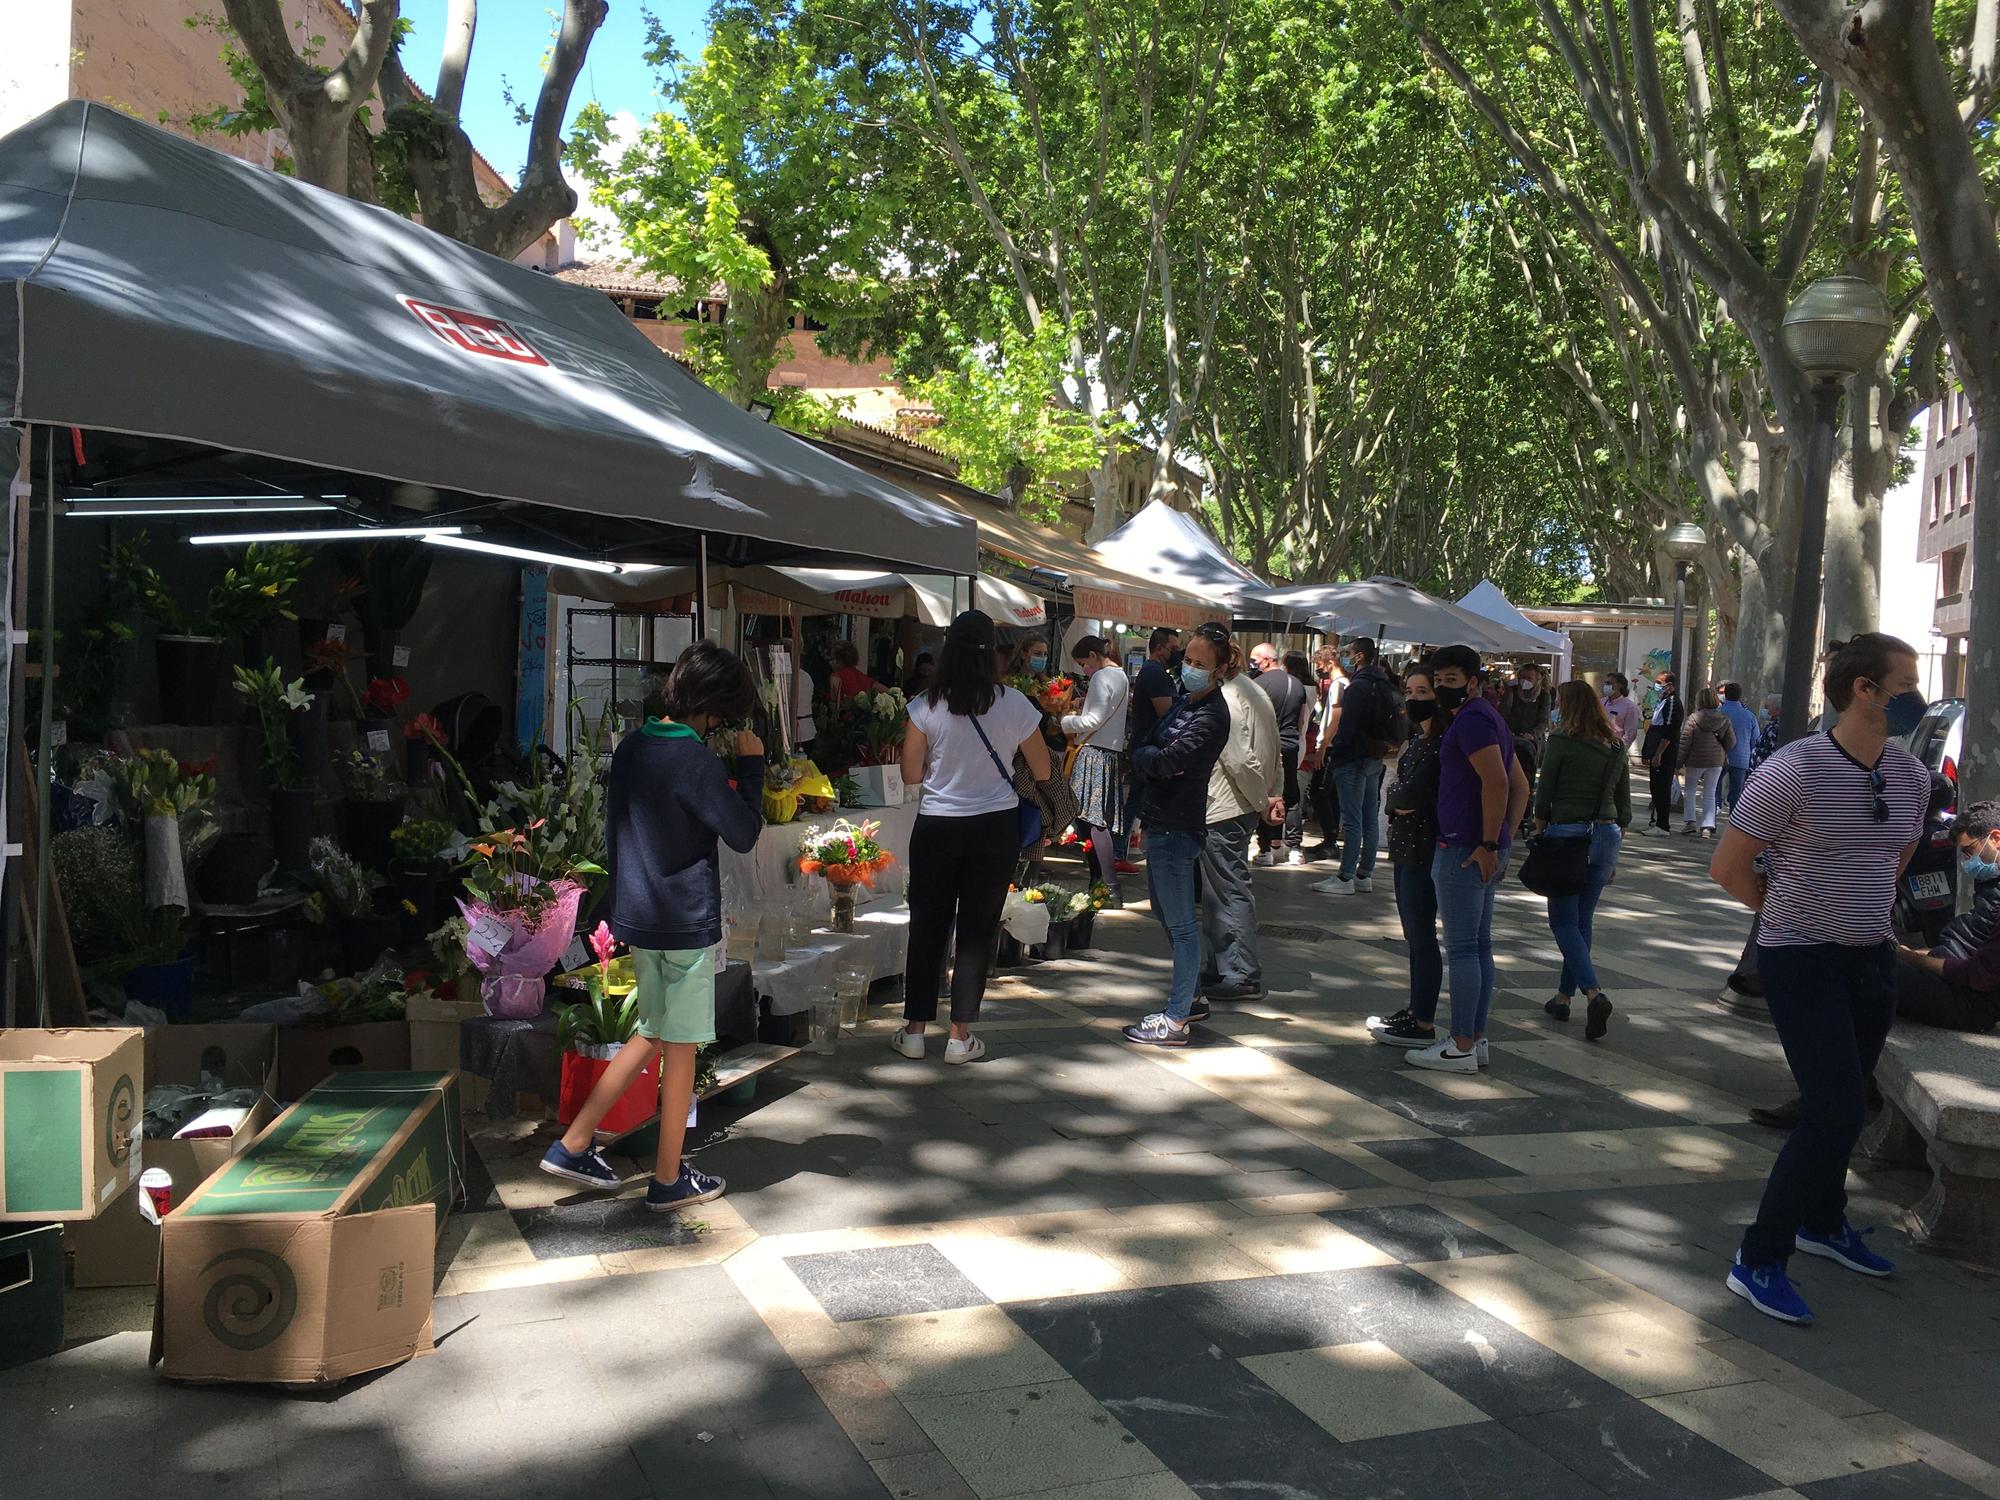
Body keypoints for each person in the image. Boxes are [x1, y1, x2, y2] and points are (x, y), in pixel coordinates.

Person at [1709, 633, 1931, 1325]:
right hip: (1799, 957)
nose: (1915, 696)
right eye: (1906, 682)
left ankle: (1824, 1221)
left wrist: (1855, 910)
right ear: (1864, 689)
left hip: (1871, 957)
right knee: (1831, 1109)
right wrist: (1795, 911)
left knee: (1851, 1104)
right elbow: (1729, 868)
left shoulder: (1913, 776)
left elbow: (1893, 860)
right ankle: (1759, 1257)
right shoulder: (1793, 769)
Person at [541, 641, 764, 1209]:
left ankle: (573, 1143)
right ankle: (668, 1178)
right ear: (713, 710)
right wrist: (752, 766)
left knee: (654, 1031)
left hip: (639, 914)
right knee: (681, 1044)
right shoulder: (697, 762)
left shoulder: (635, 747)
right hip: (684, 921)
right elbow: (742, 831)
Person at [895, 610, 1054, 1065]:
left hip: (937, 824)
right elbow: (1042, 770)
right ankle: (959, 1036)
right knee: (976, 931)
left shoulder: (925, 705)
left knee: (928, 925)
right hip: (994, 826)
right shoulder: (1016, 705)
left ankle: (914, 1030)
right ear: (995, 655)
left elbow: (910, 773)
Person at [1408, 645, 1531, 1074]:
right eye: (1437, 681)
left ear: (1473, 681)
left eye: (1451, 681)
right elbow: (1520, 786)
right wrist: (1503, 838)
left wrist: (1489, 843)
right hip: (1476, 846)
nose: (1442, 688)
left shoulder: (1475, 719)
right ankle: (1473, 1039)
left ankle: (1460, 1043)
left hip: (1464, 849)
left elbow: (1499, 783)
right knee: (1478, 947)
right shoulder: (1488, 718)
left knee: (1462, 950)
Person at [1123, 621, 1233, 1047]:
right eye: (1187, 659)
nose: (1189, 667)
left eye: (1199, 663)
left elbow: (1167, 759)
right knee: (1166, 914)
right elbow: (1149, 746)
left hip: (1177, 824)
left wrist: (1152, 757)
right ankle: (1190, 996)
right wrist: (1153, 756)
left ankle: (1175, 1019)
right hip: (1162, 819)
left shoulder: (1210, 715)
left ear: (1219, 669)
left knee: (1183, 926)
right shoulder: (1187, 702)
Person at [1534, 680, 1633, 1041]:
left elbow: (1543, 797)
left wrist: (1540, 827)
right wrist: (1613, 853)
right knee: (1581, 920)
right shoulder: (1615, 745)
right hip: (1606, 835)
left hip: (1567, 835)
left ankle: (1593, 993)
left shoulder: (1561, 741)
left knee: (1562, 921)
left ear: (1568, 706)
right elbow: (1624, 806)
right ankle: (1562, 997)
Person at [1367, 665, 1448, 1047]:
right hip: (1404, 847)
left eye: (1423, 691)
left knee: (1421, 935)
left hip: (1424, 847)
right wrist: (1397, 801)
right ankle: (1416, 1009)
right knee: (1412, 935)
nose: (1413, 699)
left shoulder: (1440, 742)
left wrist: (1399, 800)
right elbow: (1394, 795)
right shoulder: (1417, 739)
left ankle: (1424, 1019)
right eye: (1410, 691)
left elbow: (1406, 795)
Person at [1201, 636, 1283, 1004]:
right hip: (1238, 804)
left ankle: (1239, 972)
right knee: (1222, 888)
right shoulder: (1252, 691)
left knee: (1228, 889)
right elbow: (1274, 750)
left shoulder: (1231, 696)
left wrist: (1261, 799)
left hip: (1227, 805)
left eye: (1196, 661)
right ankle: (1224, 965)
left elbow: (1238, 759)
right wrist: (1271, 795)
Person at [1893, 801, 2000, 1032]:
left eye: (1969, 850)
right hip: (1955, 981)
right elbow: (1967, 946)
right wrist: (1913, 954)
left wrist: (1913, 959)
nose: (1966, 860)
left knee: (1873, 970)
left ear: (1996, 839)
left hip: (1970, 1004)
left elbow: (1980, 975)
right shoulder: (1990, 884)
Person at [1312, 637, 1398, 896]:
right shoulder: (1382, 682)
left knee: (1352, 820)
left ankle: (1345, 875)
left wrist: (1336, 753)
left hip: (1353, 758)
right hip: (1374, 756)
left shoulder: (1358, 686)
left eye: (1349, 653)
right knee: (1369, 817)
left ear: (1359, 656)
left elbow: (1347, 725)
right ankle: (1364, 874)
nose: (1346, 657)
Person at [1061, 635, 1131, 905]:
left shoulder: (1103, 677)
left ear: (1093, 655)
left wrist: (1065, 720)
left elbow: (1094, 719)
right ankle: (1101, 884)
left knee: (1094, 822)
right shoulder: (1120, 676)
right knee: (1094, 821)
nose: (1083, 670)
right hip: (1108, 753)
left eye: (1083, 663)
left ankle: (1108, 886)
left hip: (1093, 754)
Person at [1249, 642, 1309, 865]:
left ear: (1267, 659)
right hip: (1291, 744)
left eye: (1255, 659)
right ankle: (1294, 848)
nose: (1253, 663)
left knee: (1266, 794)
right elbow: (1302, 721)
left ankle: (1265, 850)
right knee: (1291, 796)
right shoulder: (1297, 684)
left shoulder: (1257, 684)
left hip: (1268, 747)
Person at [1123, 628, 1181, 861]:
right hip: (1148, 750)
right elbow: (1166, 714)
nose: (1176, 653)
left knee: (1137, 801)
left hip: (1146, 747)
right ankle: (1119, 851)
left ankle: (1120, 850)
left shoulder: (1154, 672)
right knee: (1137, 801)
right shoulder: (1155, 673)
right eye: (1173, 649)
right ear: (1159, 648)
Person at [1302, 644, 1344, 858]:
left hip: (1330, 747)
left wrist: (1322, 747)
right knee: (1329, 793)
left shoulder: (1339, 685)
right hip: (1332, 746)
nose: (1318, 669)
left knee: (1319, 791)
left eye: (1319, 664)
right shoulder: (1341, 683)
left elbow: (1335, 718)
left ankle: (1330, 839)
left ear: (1330, 663)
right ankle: (1330, 838)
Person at [1678, 686, 1736, 838]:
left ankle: (1690, 822)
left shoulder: (1693, 719)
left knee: (1690, 790)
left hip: (1695, 760)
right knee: (1709, 792)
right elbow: (1731, 742)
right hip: (1716, 761)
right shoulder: (1723, 719)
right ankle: (1707, 826)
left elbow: (1685, 742)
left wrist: (1678, 762)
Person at [1640, 671, 1686, 834]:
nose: (1657, 685)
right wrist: (1647, 752)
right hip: (1655, 750)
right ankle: (1657, 821)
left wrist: (1659, 753)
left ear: (1670, 685)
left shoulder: (1673, 702)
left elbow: (1671, 730)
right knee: (1656, 787)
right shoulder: (1663, 701)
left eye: (1660, 682)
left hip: (1665, 753)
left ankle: (1663, 825)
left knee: (1662, 787)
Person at [1498, 661, 1552, 794]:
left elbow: (1543, 720)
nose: (1525, 681)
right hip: (1511, 737)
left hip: (1532, 741)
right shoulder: (1513, 692)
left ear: (1538, 679)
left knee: (1527, 773)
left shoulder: (1544, 695)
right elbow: (1503, 714)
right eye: (1523, 678)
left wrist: (1533, 734)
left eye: (1529, 679)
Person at [1717, 681, 1759, 812]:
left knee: (1715, 787)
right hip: (1741, 757)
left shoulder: (1719, 712)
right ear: (1740, 696)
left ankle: (1712, 815)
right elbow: (1755, 739)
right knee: (1737, 791)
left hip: (1719, 756)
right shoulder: (1749, 716)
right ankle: (1734, 818)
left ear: (1726, 695)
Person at [1602, 673, 1641, 749]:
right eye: (1605, 683)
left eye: (1608, 683)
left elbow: (1631, 733)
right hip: (1600, 745)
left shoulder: (1630, 707)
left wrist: (1619, 748)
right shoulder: (1602, 702)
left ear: (1619, 685)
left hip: (1615, 748)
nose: (1606, 686)